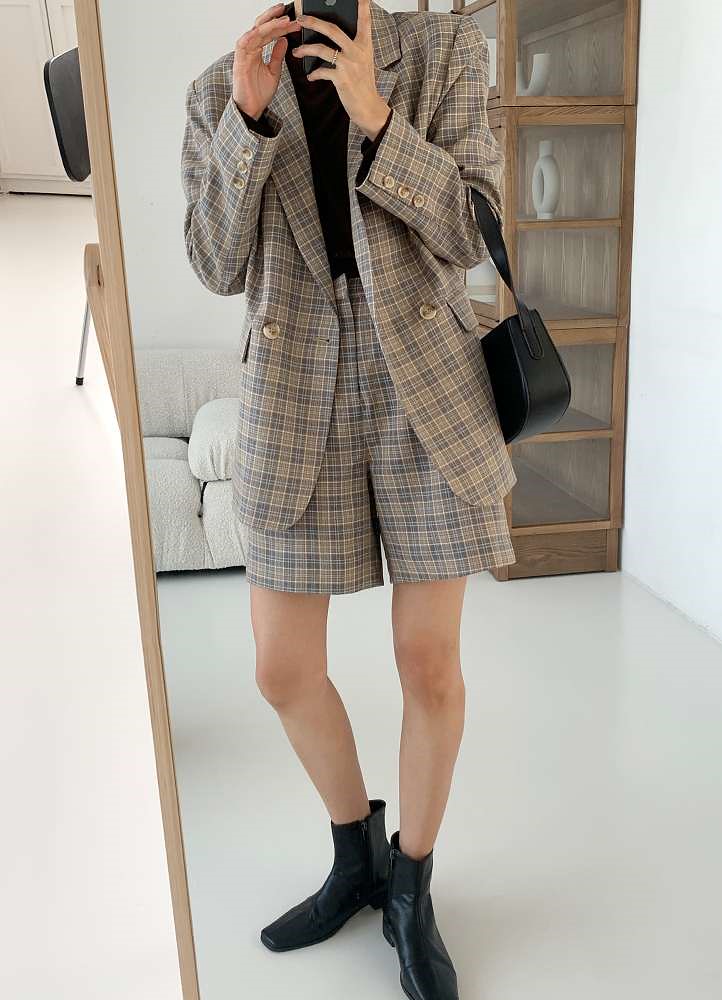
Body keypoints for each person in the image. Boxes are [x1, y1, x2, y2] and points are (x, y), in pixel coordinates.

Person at [181, 1, 516, 996]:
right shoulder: (218, 89)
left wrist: (380, 120)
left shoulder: (441, 50)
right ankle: (355, 857)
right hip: (296, 392)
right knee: (283, 668)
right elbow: (214, 264)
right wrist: (247, 121)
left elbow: (470, 231)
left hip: (426, 381)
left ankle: (411, 888)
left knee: (429, 664)